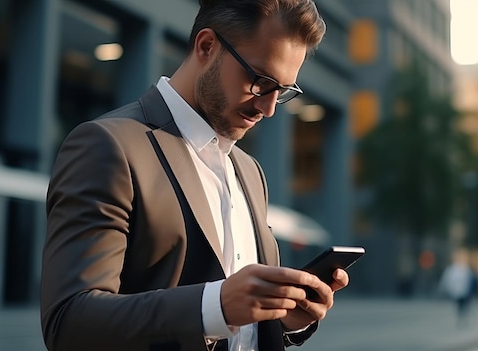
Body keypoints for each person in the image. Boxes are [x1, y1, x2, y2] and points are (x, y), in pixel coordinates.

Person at [40, 1, 350, 350]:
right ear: (206, 46)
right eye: (261, 81)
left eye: (283, 92)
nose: (267, 108)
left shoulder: (250, 172)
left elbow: (238, 330)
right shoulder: (109, 146)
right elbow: (68, 322)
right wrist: (214, 306)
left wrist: (285, 320)